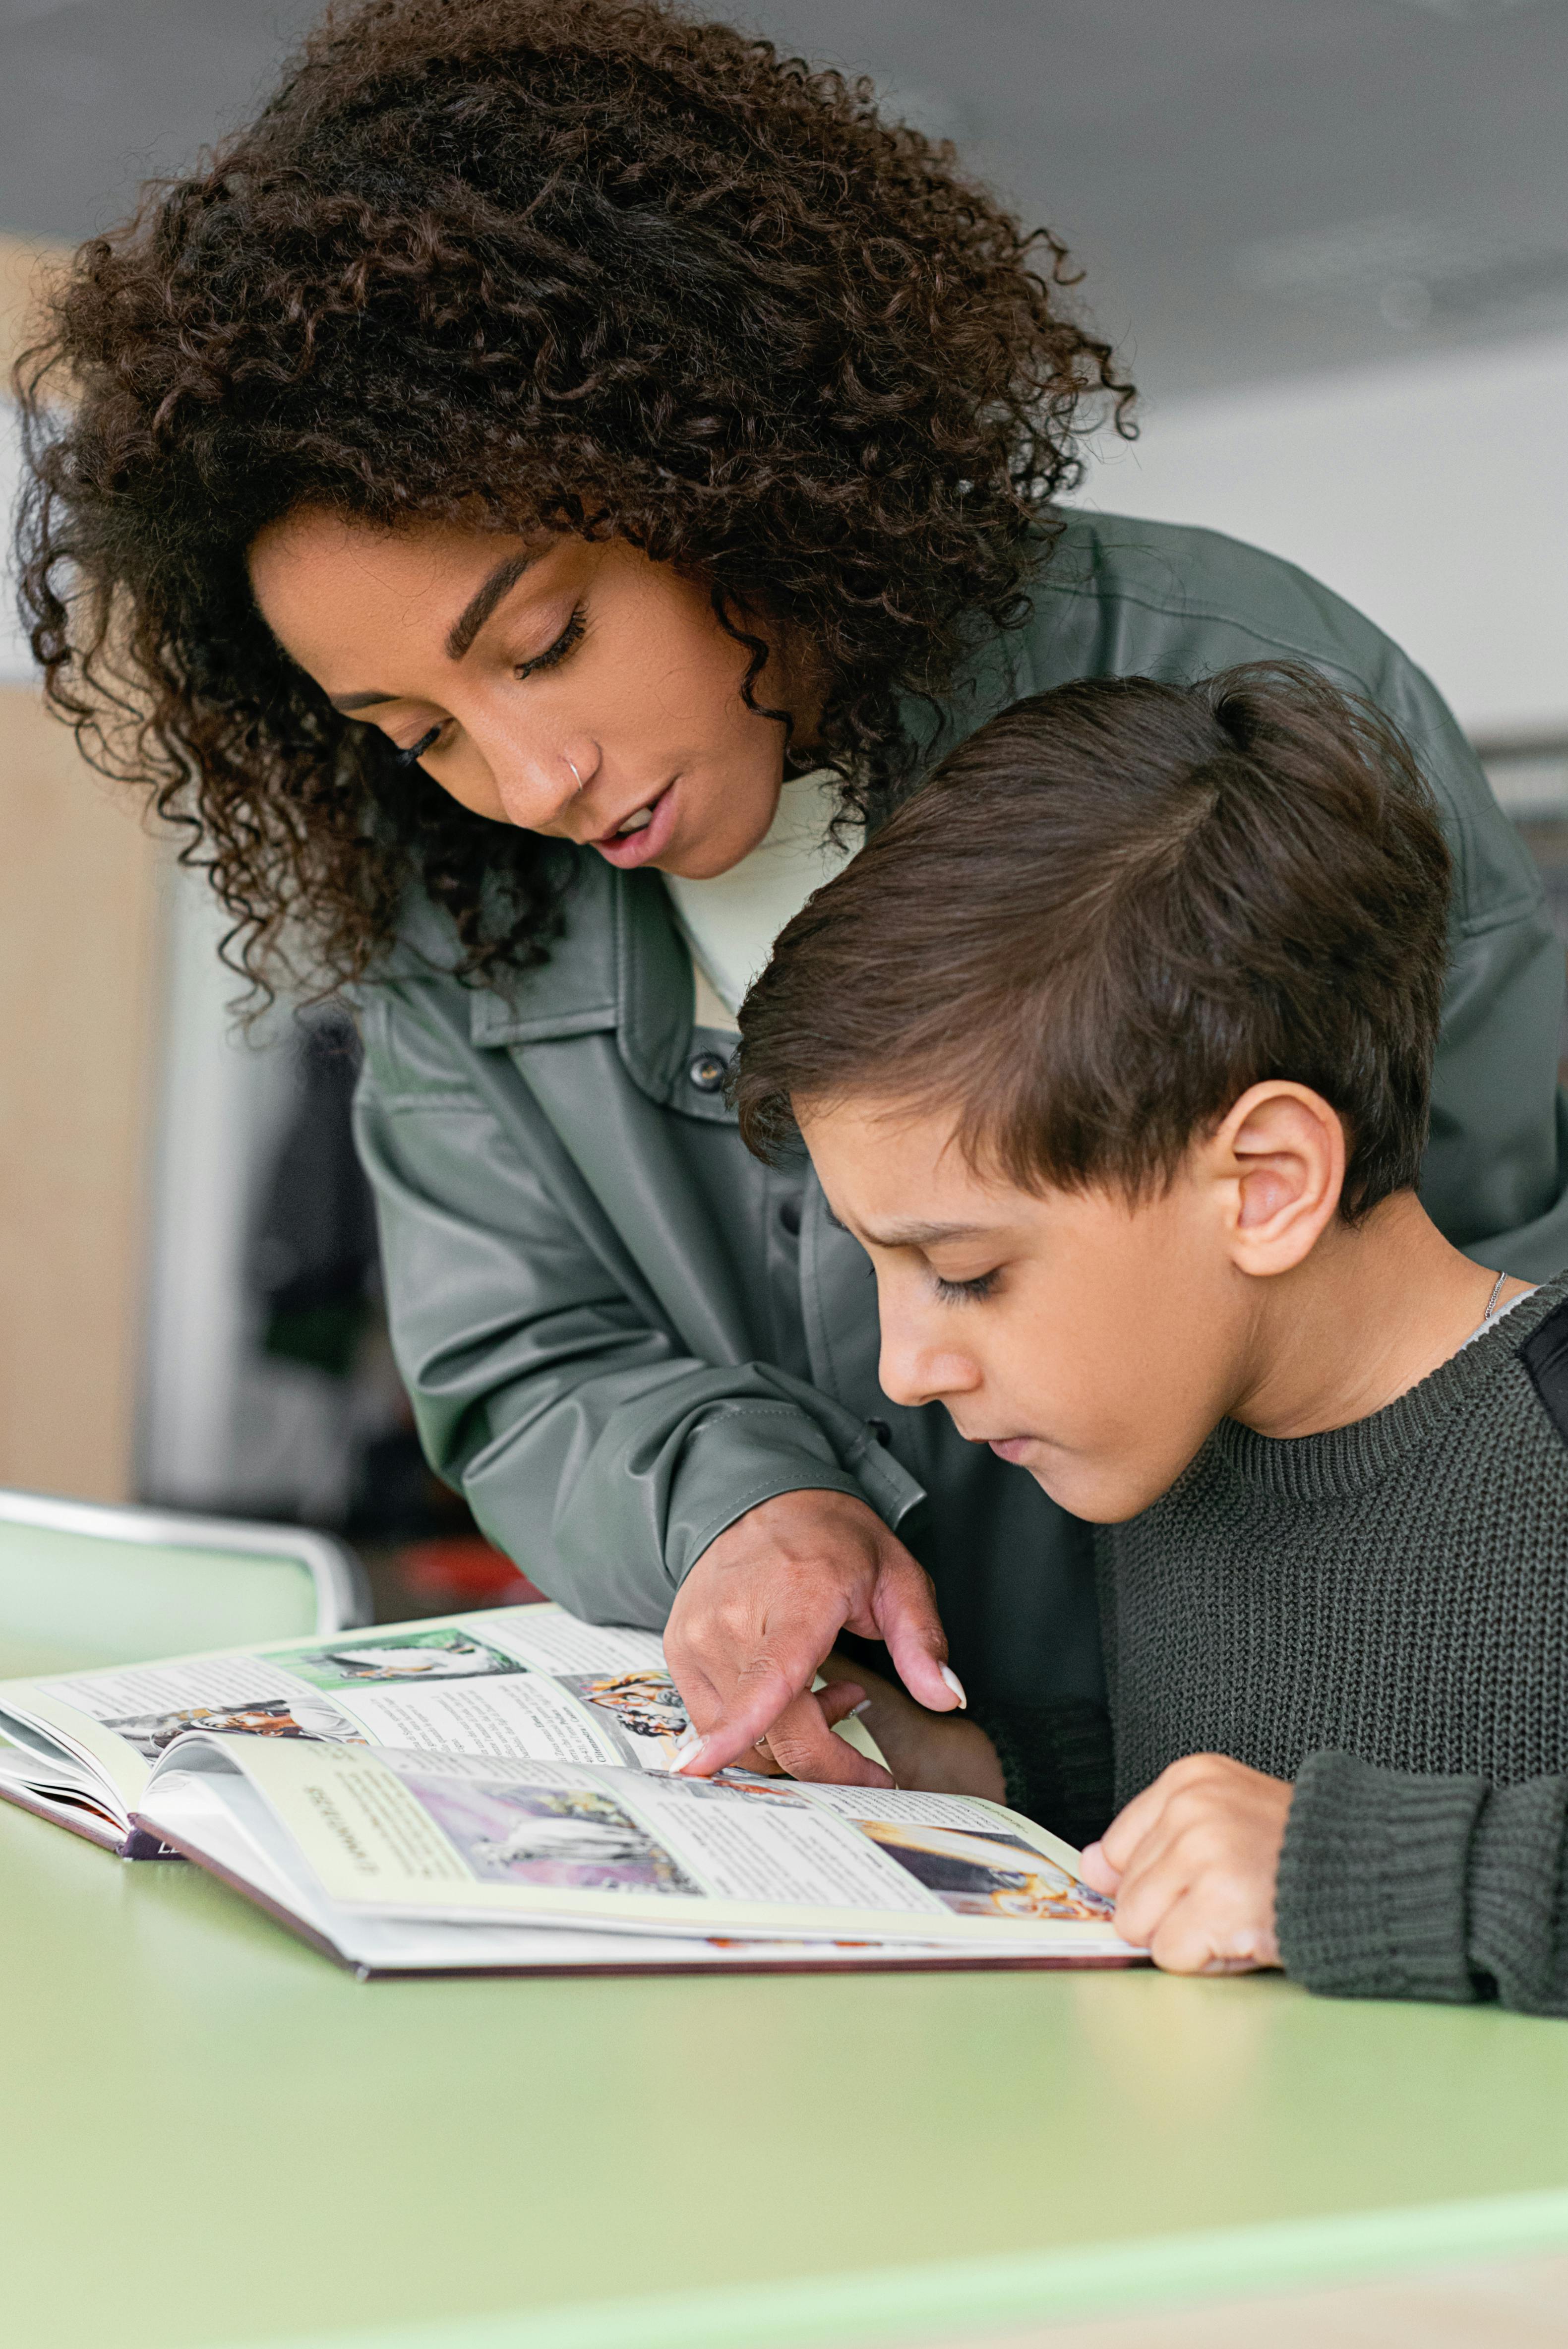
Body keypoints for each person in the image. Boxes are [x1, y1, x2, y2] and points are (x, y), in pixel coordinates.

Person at [16, 0, 1568, 1793]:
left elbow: (1465, 1312)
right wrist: (755, 1513)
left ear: (714, 477)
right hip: (903, 1832)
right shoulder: (456, 890)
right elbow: (524, 1352)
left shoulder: (1243, 689)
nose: (530, 785)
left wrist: (1317, 1819)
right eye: (410, 726)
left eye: (546, 643)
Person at [730, 662, 1568, 2012]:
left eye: (964, 1271)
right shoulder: (1174, 1441)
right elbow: (1214, 1781)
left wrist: (1357, 1870)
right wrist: (976, 1775)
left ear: (1264, 1184)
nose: (904, 1367)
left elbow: (1313, 1840)